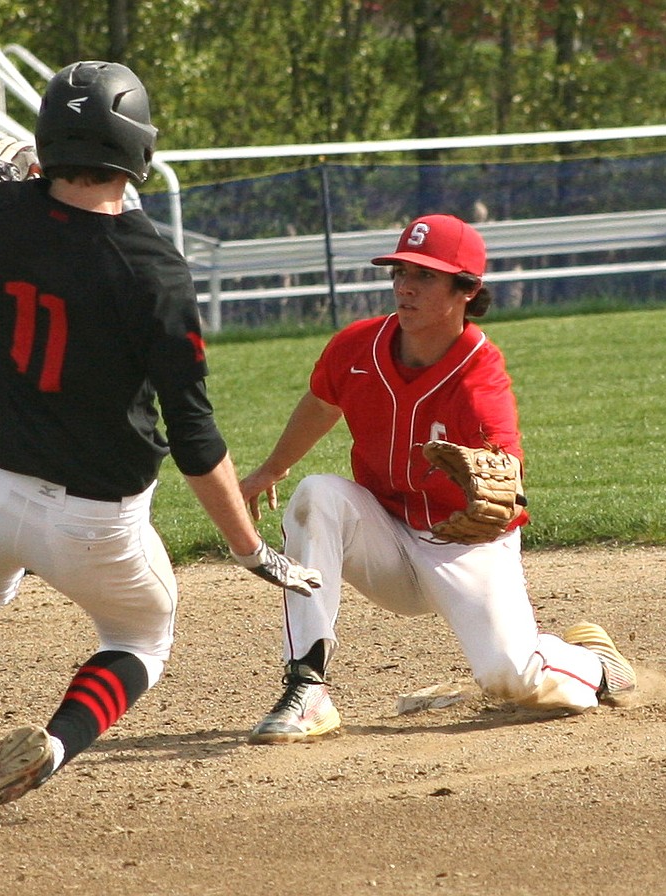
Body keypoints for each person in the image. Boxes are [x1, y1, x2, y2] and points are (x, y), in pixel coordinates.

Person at [0, 61, 320, 824]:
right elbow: (195, 439)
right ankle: (54, 745)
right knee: (143, 637)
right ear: (135, 147)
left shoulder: (3, 213)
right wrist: (249, 550)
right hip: (96, 520)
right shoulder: (153, 269)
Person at [239, 213, 636, 745]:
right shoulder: (357, 346)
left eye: (425, 275)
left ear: (466, 291)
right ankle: (307, 687)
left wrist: (498, 488)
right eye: (400, 271)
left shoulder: (480, 374)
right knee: (317, 496)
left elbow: (506, 473)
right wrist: (272, 467)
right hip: (384, 534)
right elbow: (320, 402)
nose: (405, 285)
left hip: (463, 543)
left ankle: (594, 663)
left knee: (512, 678)